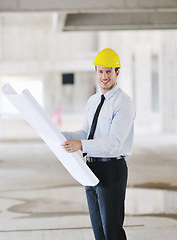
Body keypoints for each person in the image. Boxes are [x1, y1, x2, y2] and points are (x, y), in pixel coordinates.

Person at [61, 48, 136, 240]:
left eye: (109, 71)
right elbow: (86, 133)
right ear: (95, 72)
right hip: (90, 168)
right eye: (101, 71)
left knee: (112, 231)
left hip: (112, 169)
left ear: (117, 72)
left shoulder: (123, 103)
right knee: (99, 231)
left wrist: (81, 145)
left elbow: (113, 143)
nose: (104, 76)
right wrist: (59, 135)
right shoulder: (93, 101)